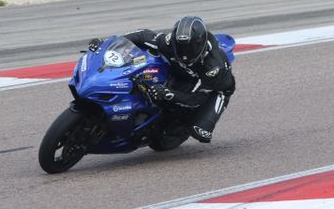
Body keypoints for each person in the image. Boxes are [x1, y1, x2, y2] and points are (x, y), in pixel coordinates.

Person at [88, 16, 235, 143]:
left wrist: (168, 93)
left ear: (199, 45)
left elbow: (196, 99)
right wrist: (105, 44)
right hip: (180, 72)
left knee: (200, 131)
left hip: (214, 87)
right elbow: (142, 35)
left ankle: (180, 124)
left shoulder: (213, 67)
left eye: (189, 48)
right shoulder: (169, 42)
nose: (184, 52)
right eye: (181, 47)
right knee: (148, 66)